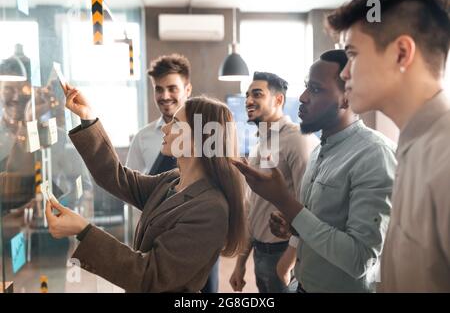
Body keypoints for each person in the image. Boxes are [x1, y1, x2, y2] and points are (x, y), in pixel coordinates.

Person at [45, 86, 246, 293]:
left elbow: (151, 275)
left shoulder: (211, 210)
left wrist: (83, 231)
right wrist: (88, 118)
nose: (165, 128)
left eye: (175, 124)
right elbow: (117, 178)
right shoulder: (171, 181)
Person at [233, 49, 397, 292]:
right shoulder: (320, 151)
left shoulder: (375, 155)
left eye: (316, 89)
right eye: (306, 87)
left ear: (347, 98)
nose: (302, 97)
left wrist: (285, 202)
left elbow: (360, 259)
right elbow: (319, 223)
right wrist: (292, 227)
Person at [326, 0, 450, 292]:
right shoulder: (413, 147)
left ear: (401, 53)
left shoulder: (443, 158)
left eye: (352, 54)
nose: (344, 72)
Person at [125, 54, 219, 293]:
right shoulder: (143, 138)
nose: (165, 96)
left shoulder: (206, 134)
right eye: (159, 89)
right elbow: (130, 185)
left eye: (172, 88)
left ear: (187, 89)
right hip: (154, 237)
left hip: (195, 237)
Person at [229, 72, 318, 293]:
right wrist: (241, 263)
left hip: (286, 255)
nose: (249, 100)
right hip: (261, 255)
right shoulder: (261, 145)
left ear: (279, 100)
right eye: (247, 95)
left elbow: (310, 207)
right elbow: (253, 208)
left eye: (257, 94)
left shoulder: (299, 139)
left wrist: (287, 263)